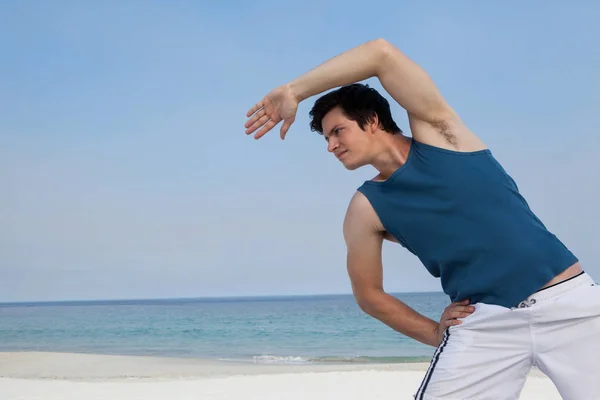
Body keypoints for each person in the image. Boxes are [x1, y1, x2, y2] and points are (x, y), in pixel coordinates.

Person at [244, 38, 600, 399]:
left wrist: (294, 90)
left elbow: (381, 54)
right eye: (325, 138)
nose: (331, 145)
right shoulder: (365, 209)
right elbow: (368, 294)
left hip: (570, 306)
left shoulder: (442, 134)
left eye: (338, 131)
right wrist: (433, 332)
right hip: (484, 324)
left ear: (371, 121)